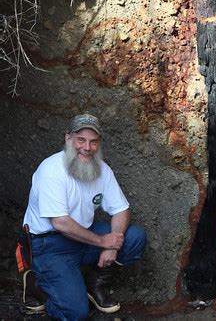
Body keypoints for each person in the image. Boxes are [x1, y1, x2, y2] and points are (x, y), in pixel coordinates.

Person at [22, 113, 147, 320]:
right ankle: (37, 283)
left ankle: (93, 283)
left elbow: (121, 209)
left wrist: (111, 243)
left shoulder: (102, 170)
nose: (86, 148)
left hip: (84, 237)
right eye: (81, 140)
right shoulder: (51, 170)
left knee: (134, 238)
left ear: (99, 144)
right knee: (75, 313)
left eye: (93, 142)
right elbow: (60, 222)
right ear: (68, 138)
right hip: (49, 245)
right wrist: (102, 241)